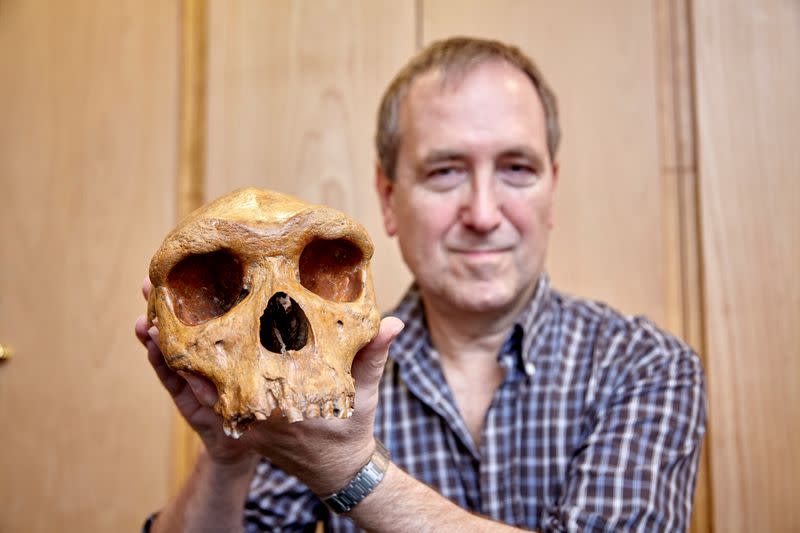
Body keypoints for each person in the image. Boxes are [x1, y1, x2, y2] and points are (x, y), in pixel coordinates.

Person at [135, 37, 706, 532]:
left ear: (551, 189)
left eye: (517, 169)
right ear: (389, 199)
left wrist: (351, 472)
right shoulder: (305, 373)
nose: (483, 213)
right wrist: (226, 460)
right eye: (445, 171)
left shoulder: (646, 366)